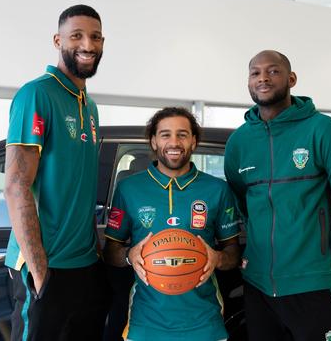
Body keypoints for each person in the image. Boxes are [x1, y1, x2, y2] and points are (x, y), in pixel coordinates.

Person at [224, 50, 331, 341]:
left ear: (291, 79)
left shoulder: (323, 130)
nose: (263, 78)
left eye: (273, 71)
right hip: (257, 282)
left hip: (310, 282)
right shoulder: (239, 141)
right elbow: (242, 203)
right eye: (255, 73)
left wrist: (319, 250)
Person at [3, 4, 108, 341]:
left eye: (95, 37)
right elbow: (16, 186)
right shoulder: (37, 94)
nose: (87, 45)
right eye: (76, 36)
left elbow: (81, 187)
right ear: (57, 40)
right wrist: (39, 271)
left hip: (84, 268)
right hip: (46, 269)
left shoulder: (88, 105)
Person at [103, 107, 241, 341]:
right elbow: (110, 252)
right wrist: (129, 255)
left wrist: (217, 258)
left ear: (194, 141)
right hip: (145, 324)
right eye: (165, 134)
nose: (174, 142)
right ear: (154, 142)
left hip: (204, 325)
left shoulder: (217, 189)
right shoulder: (129, 189)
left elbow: (233, 253)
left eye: (182, 134)